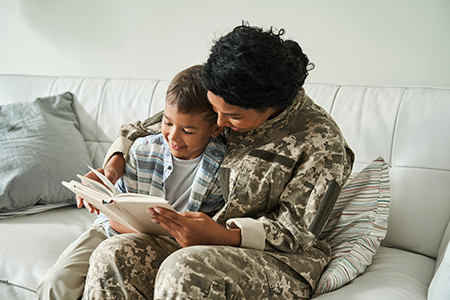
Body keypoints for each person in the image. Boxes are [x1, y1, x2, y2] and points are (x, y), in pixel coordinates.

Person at [81, 23, 355, 299]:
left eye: (232, 117)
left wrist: (221, 235)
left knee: (185, 270)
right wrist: (112, 167)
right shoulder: (225, 97)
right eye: (214, 111)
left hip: (281, 260)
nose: (219, 124)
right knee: (112, 254)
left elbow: (297, 233)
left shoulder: (321, 142)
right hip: (201, 242)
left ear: (269, 105)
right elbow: (141, 130)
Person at [37, 65, 226, 300]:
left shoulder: (221, 167)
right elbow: (116, 216)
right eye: (167, 123)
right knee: (56, 282)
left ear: (216, 128)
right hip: (113, 230)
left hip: (173, 246)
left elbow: (205, 232)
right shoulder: (142, 150)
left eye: (187, 130)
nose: (174, 137)